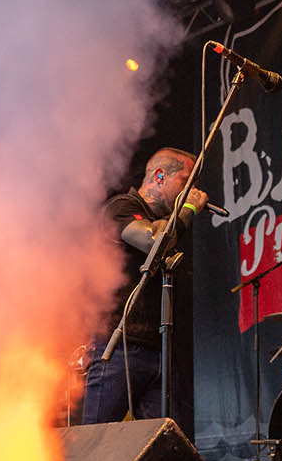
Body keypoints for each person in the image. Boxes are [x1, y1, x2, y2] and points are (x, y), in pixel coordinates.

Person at [84, 146, 206, 429]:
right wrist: (187, 208)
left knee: (164, 442)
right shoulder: (121, 207)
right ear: (159, 176)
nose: (191, 191)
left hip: (161, 349)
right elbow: (154, 242)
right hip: (120, 347)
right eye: (186, 182)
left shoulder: (167, 222)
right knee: (98, 439)